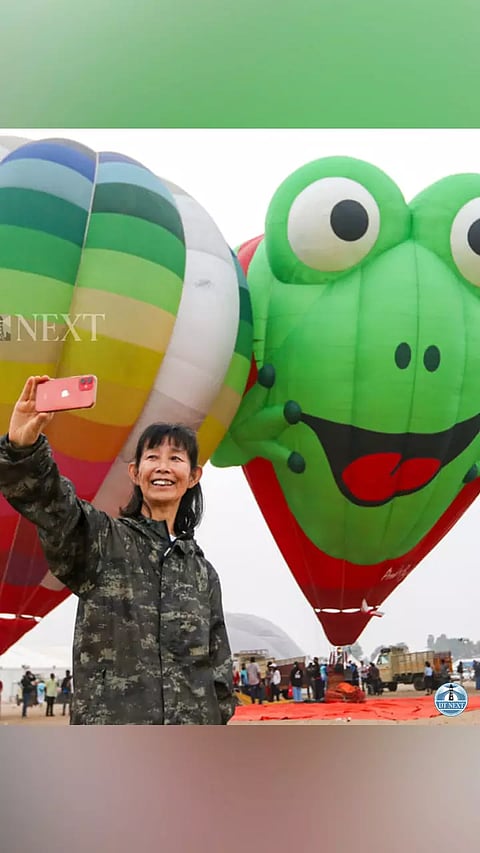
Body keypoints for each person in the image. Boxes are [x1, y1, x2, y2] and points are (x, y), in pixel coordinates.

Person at [0, 375, 235, 726]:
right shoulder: (103, 541)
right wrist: (23, 448)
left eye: (176, 458)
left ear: (194, 475)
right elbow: (53, 505)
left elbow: (219, 669)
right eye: (152, 457)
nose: (163, 467)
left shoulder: (203, 573)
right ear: (135, 472)